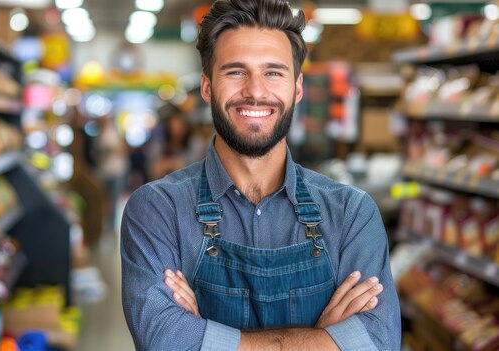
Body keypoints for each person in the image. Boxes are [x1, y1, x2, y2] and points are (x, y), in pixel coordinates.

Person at [120, 0, 401, 349]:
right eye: (236, 71)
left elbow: (378, 340)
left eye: (273, 72)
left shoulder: (351, 213)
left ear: (297, 87)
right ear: (207, 86)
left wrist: (203, 333)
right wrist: (321, 337)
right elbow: (163, 340)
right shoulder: (158, 209)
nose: (255, 90)